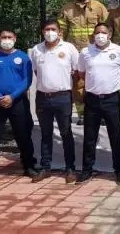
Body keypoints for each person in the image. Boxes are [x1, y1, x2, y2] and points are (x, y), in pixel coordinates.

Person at [0, 26, 38, 185]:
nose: (7, 40)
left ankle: (29, 166)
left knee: (24, 134)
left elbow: (27, 80)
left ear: (15, 39)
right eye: (3, 37)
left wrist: (12, 96)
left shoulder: (23, 57)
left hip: (18, 102)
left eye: (9, 37)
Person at [76, 23, 120, 183]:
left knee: (116, 137)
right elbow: (81, 73)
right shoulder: (86, 52)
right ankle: (87, 170)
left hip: (112, 99)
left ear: (110, 34)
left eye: (104, 32)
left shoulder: (119, 51)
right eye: (97, 32)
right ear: (93, 35)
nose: (100, 35)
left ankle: (119, 171)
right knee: (89, 137)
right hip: (92, 99)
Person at [30, 19, 80, 184]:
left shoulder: (69, 48)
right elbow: (37, 71)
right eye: (46, 29)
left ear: (60, 32)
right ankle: (45, 167)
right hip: (43, 97)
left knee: (66, 133)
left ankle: (70, 168)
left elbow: (77, 71)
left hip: (63, 97)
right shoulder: (37, 49)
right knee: (45, 134)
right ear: (42, 32)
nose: (49, 32)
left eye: (53, 29)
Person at [58, 0, 109, 123]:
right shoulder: (66, 9)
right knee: (78, 84)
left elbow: (107, 29)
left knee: (99, 82)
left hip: (96, 52)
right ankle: (82, 114)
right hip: (76, 53)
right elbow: (61, 32)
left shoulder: (99, 7)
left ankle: (101, 115)